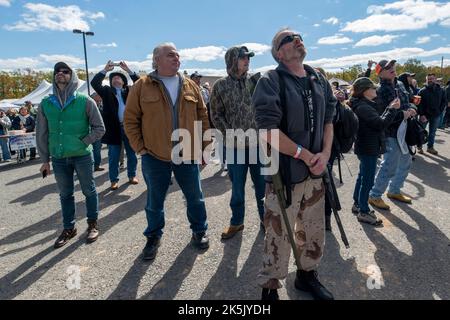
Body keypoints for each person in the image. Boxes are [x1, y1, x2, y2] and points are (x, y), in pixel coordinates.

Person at [253, 28, 336, 300]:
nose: (297, 39)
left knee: (312, 229)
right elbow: (267, 130)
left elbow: (328, 120)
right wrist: (303, 154)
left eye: (298, 36)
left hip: (315, 173)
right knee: (278, 232)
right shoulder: (271, 80)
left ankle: (306, 275)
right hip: (284, 175)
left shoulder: (318, 78)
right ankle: (270, 286)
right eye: (288, 39)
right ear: (279, 52)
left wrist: (323, 154)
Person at [124, 43, 211, 261]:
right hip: (154, 156)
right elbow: (130, 119)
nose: (176, 58)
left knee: (195, 198)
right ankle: (153, 236)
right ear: (156, 60)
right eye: (171, 55)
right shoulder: (142, 86)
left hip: (187, 153)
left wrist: (205, 148)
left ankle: (199, 231)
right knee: (155, 201)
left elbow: (203, 117)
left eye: (178, 55)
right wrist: (140, 148)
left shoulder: (191, 85)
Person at [36, 62, 105, 249]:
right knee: (65, 194)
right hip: (59, 158)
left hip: (82, 155)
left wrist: (84, 141)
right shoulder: (46, 103)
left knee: (89, 190)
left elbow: (100, 128)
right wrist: (44, 160)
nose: (61, 73)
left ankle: (92, 224)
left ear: (72, 76)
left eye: (65, 71)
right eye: (57, 71)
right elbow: (41, 133)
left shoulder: (84, 100)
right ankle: (69, 228)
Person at [210, 45, 266, 239]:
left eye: (248, 58)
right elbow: (216, 115)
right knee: (237, 189)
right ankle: (237, 222)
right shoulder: (220, 85)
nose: (247, 60)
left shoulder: (257, 82)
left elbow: (267, 110)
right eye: (243, 57)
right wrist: (231, 135)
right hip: (235, 147)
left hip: (259, 145)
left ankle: (266, 220)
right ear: (232, 60)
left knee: (262, 186)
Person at [368, 60, 417, 210]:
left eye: (393, 66)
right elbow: (381, 114)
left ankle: (394, 190)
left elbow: (408, 101)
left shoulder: (400, 85)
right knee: (389, 165)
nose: (392, 69)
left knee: (406, 161)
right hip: (390, 133)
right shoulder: (379, 90)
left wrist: (412, 108)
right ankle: (374, 195)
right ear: (379, 72)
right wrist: (401, 114)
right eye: (388, 67)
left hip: (405, 131)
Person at [350, 78, 399, 226]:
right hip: (368, 147)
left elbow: (377, 120)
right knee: (368, 180)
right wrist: (392, 109)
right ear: (365, 91)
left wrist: (389, 108)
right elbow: (380, 124)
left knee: (363, 176)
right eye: (373, 88)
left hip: (366, 146)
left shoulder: (363, 104)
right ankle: (364, 211)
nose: (375, 90)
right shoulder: (363, 107)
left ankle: (358, 204)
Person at [91, 61, 140, 190]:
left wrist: (128, 70)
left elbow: (141, 83)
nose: (116, 78)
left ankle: (132, 175)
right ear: (111, 82)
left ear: (124, 82)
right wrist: (105, 70)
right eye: (113, 78)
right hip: (114, 129)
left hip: (129, 128)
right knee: (113, 157)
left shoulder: (130, 90)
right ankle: (114, 180)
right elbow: (94, 83)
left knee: (131, 154)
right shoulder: (106, 91)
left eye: (119, 77)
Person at [417, 74, 447, 155]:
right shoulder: (422, 91)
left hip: (436, 115)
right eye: (428, 79)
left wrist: (440, 111)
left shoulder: (441, 90)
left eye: (432, 79)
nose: (430, 80)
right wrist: (422, 114)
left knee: (432, 132)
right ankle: (419, 147)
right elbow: (419, 104)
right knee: (421, 131)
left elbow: (444, 101)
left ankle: (430, 147)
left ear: (435, 79)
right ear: (426, 80)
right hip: (424, 115)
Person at [90, 92, 105, 171]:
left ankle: (97, 165)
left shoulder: (101, 106)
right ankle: (90, 166)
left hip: (97, 132)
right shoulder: (89, 105)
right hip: (89, 131)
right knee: (90, 150)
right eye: (99, 96)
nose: (100, 98)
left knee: (97, 149)